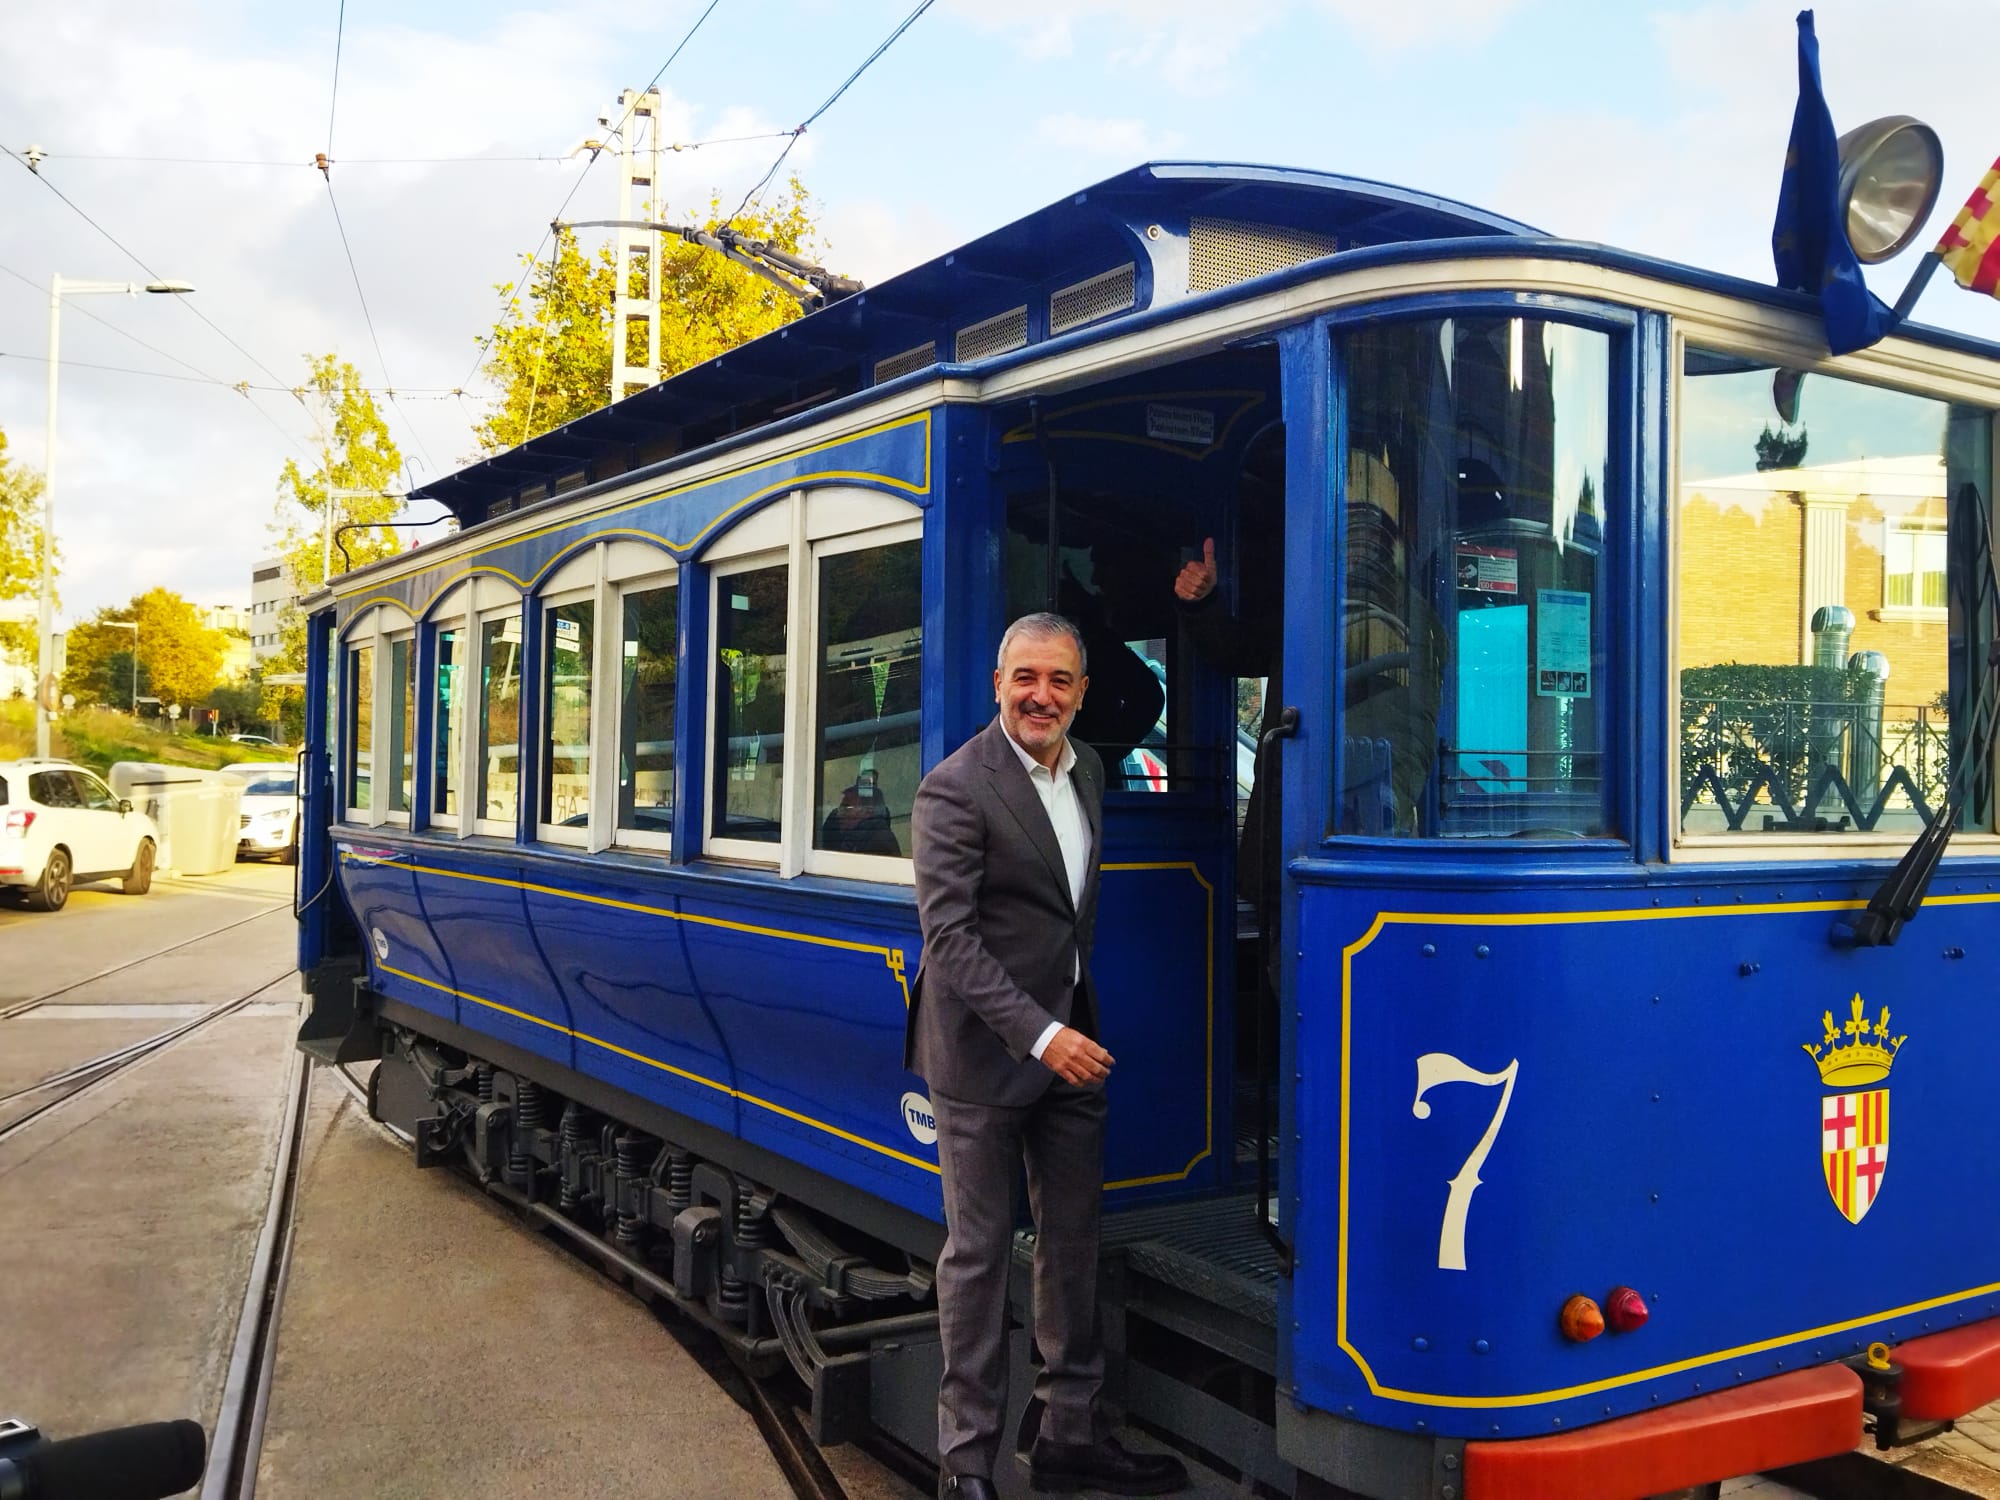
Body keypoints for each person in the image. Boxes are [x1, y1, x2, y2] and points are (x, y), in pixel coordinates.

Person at [908, 612, 1190, 1500]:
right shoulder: (955, 788)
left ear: (1082, 691)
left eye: (1060, 680)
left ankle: (1070, 1433)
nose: (1042, 695)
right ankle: (965, 1466)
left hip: (1072, 1043)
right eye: (1025, 677)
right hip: (985, 1058)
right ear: (998, 684)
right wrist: (1040, 1033)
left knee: (1073, 1244)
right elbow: (950, 941)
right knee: (979, 1256)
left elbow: (1066, 916)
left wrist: (1068, 1027)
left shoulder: (1091, 770)